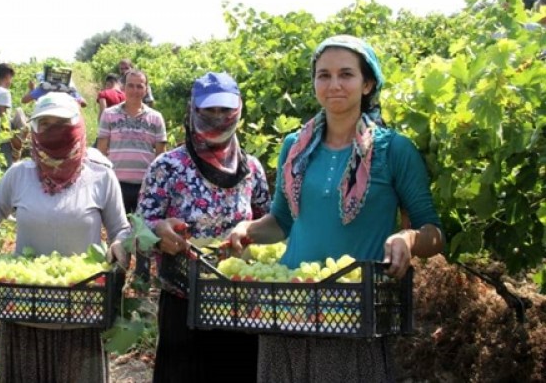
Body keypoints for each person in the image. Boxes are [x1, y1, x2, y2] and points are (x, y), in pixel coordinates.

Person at [229, 35, 445, 382]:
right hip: (289, 310)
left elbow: (434, 235)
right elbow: (282, 222)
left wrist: (407, 238)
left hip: (354, 316)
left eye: (346, 74)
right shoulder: (294, 147)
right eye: (323, 75)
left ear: (367, 83)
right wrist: (248, 230)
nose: (334, 85)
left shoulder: (394, 150)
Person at [0, 92, 131, 383]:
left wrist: (120, 245)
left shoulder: (100, 175)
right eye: (45, 125)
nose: (53, 132)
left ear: (77, 126)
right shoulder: (20, 174)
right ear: (34, 130)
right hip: (24, 312)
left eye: (60, 124)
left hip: (82, 310)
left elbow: (121, 228)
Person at [137, 71, 271, 383]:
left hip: (240, 303)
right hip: (184, 306)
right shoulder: (167, 167)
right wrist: (158, 232)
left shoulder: (251, 169)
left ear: (238, 110)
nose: (218, 118)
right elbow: (138, 229)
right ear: (192, 111)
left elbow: (269, 222)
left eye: (226, 111)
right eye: (208, 111)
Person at [97, 69, 166, 280]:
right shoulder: (109, 115)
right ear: (123, 88)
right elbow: (101, 150)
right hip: (116, 185)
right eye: (131, 85)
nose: (135, 90)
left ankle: (142, 278)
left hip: (145, 187)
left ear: (146, 89)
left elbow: (160, 156)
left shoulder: (155, 118)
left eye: (140, 86)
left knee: (143, 234)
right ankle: (116, 277)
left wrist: (156, 186)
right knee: (116, 233)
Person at [0, 63, 16, 167]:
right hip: (1, 138)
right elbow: (2, 116)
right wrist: (9, 139)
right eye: (11, 78)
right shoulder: (4, 93)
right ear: (7, 76)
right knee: (6, 169)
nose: (11, 81)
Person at [21, 68, 87, 107]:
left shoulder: (43, 89)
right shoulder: (67, 89)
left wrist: (31, 89)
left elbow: (24, 100)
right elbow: (84, 103)